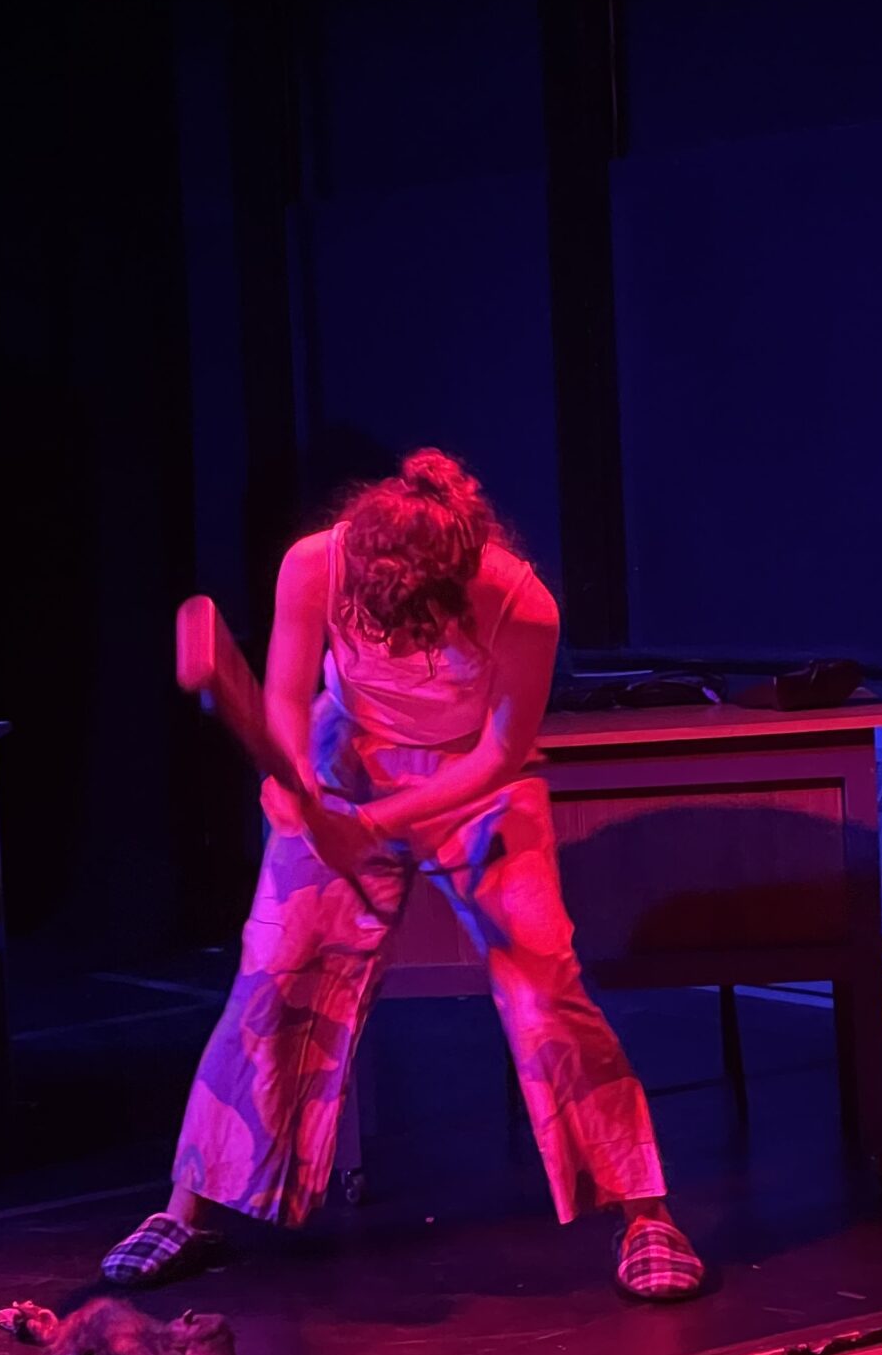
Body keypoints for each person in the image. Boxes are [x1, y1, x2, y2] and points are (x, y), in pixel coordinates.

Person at [102, 449, 706, 1303]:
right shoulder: (314, 562)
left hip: (474, 780)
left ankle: (645, 1214)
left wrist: (377, 825)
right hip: (345, 755)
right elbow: (285, 697)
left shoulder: (520, 601)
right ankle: (188, 1210)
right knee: (274, 969)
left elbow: (501, 753)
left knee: (544, 981)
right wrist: (295, 784)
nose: (387, 642)